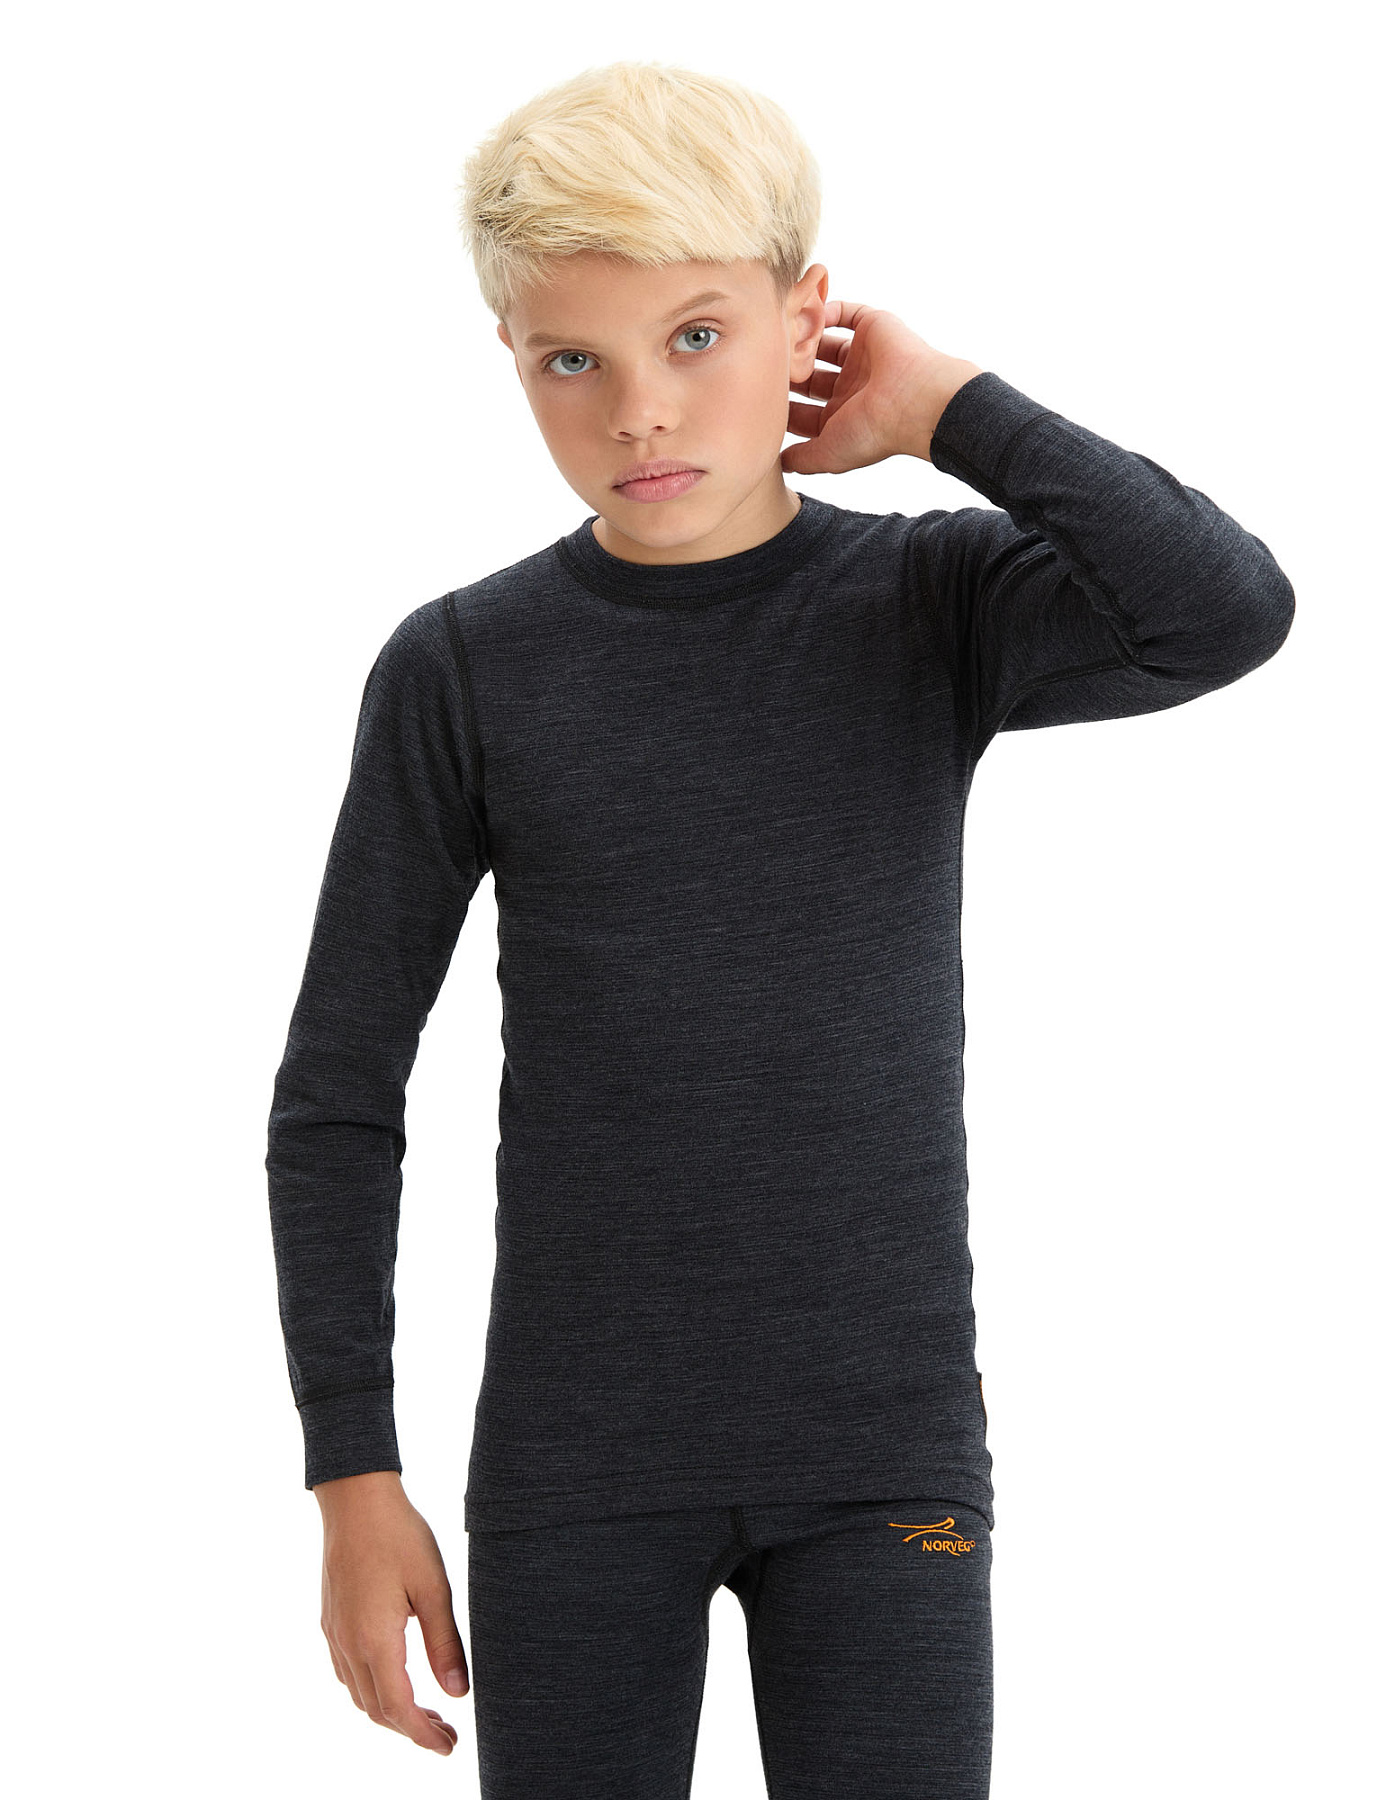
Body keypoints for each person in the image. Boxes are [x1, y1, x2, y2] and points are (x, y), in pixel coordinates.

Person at [265, 58, 1295, 1799]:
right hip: (579, 1464)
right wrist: (351, 1477)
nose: (639, 414)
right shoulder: (465, 668)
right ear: (508, 355)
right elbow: (338, 1094)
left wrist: (952, 409)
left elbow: (1226, 610)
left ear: (806, 319)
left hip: (882, 1456)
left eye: (697, 337)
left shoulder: (927, 600)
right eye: (571, 361)